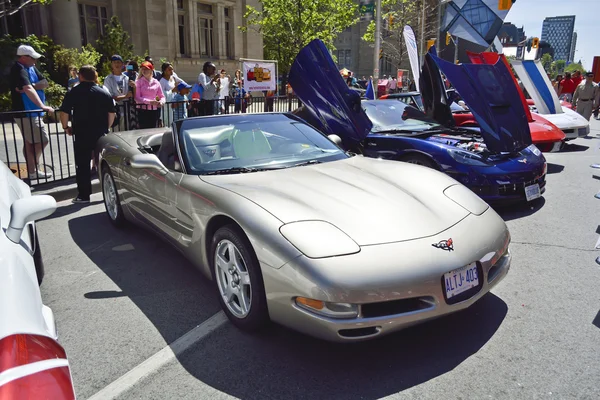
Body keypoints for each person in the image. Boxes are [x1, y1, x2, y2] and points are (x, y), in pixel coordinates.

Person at [59, 65, 116, 203]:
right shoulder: (103, 92)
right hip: (100, 133)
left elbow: (64, 112)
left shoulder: (74, 92)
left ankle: (84, 195)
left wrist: (66, 127)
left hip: (82, 132)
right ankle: (108, 193)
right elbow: (112, 113)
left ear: (81, 76)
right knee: (103, 164)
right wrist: (106, 127)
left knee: (83, 165)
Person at [10, 44, 55, 180]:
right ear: (24, 57)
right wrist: (42, 106)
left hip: (32, 112)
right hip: (26, 112)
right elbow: (28, 89)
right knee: (43, 140)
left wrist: (33, 85)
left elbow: (45, 83)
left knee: (30, 142)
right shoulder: (18, 69)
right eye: (33, 58)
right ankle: (33, 167)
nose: (35, 61)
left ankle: (32, 171)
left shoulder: (31, 68)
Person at [103, 55, 131, 130]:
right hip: (115, 112)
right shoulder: (108, 79)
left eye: (118, 62)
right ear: (111, 64)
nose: (117, 64)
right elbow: (109, 97)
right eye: (114, 62)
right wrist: (125, 96)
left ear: (122, 64)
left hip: (126, 111)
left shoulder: (127, 78)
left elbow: (131, 94)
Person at [135, 61, 165, 128]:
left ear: (151, 70)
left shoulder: (156, 82)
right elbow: (137, 97)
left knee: (153, 130)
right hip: (142, 110)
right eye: (143, 69)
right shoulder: (138, 82)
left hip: (154, 110)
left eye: (146, 69)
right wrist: (149, 102)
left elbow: (162, 96)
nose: (144, 70)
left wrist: (161, 102)